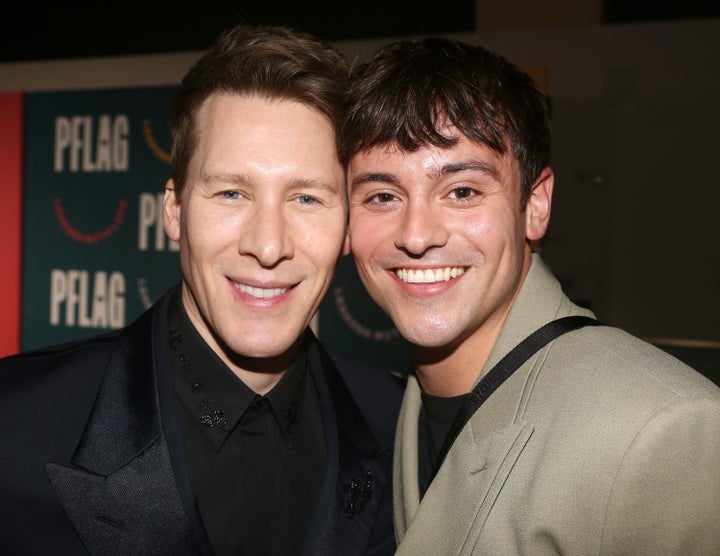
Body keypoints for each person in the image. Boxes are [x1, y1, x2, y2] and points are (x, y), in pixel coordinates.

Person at [0, 24, 403, 556]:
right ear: (174, 210)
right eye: (232, 193)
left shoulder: (400, 423)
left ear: (348, 227)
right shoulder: (14, 422)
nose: (267, 245)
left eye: (306, 199)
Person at [342, 36, 720, 555]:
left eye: (463, 191)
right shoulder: (387, 412)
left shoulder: (663, 430)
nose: (416, 234)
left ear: (535, 205)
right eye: (382, 196)